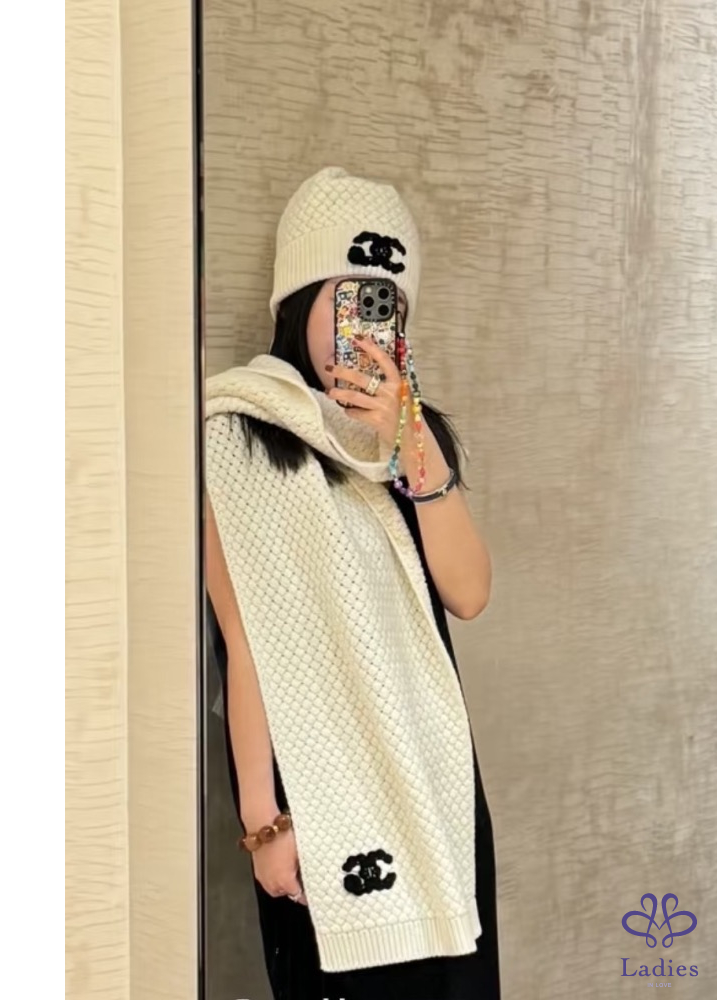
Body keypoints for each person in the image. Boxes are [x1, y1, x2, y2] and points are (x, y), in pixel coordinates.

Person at [204, 166, 501, 1000]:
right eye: (352, 295)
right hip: (318, 798)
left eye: (388, 303)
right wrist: (263, 820)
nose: (371, 321)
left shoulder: (410, 435)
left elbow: (469, 593)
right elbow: (245, 640)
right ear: (300, 298)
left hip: (436, 780)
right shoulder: (239, 432)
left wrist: (414, 444)